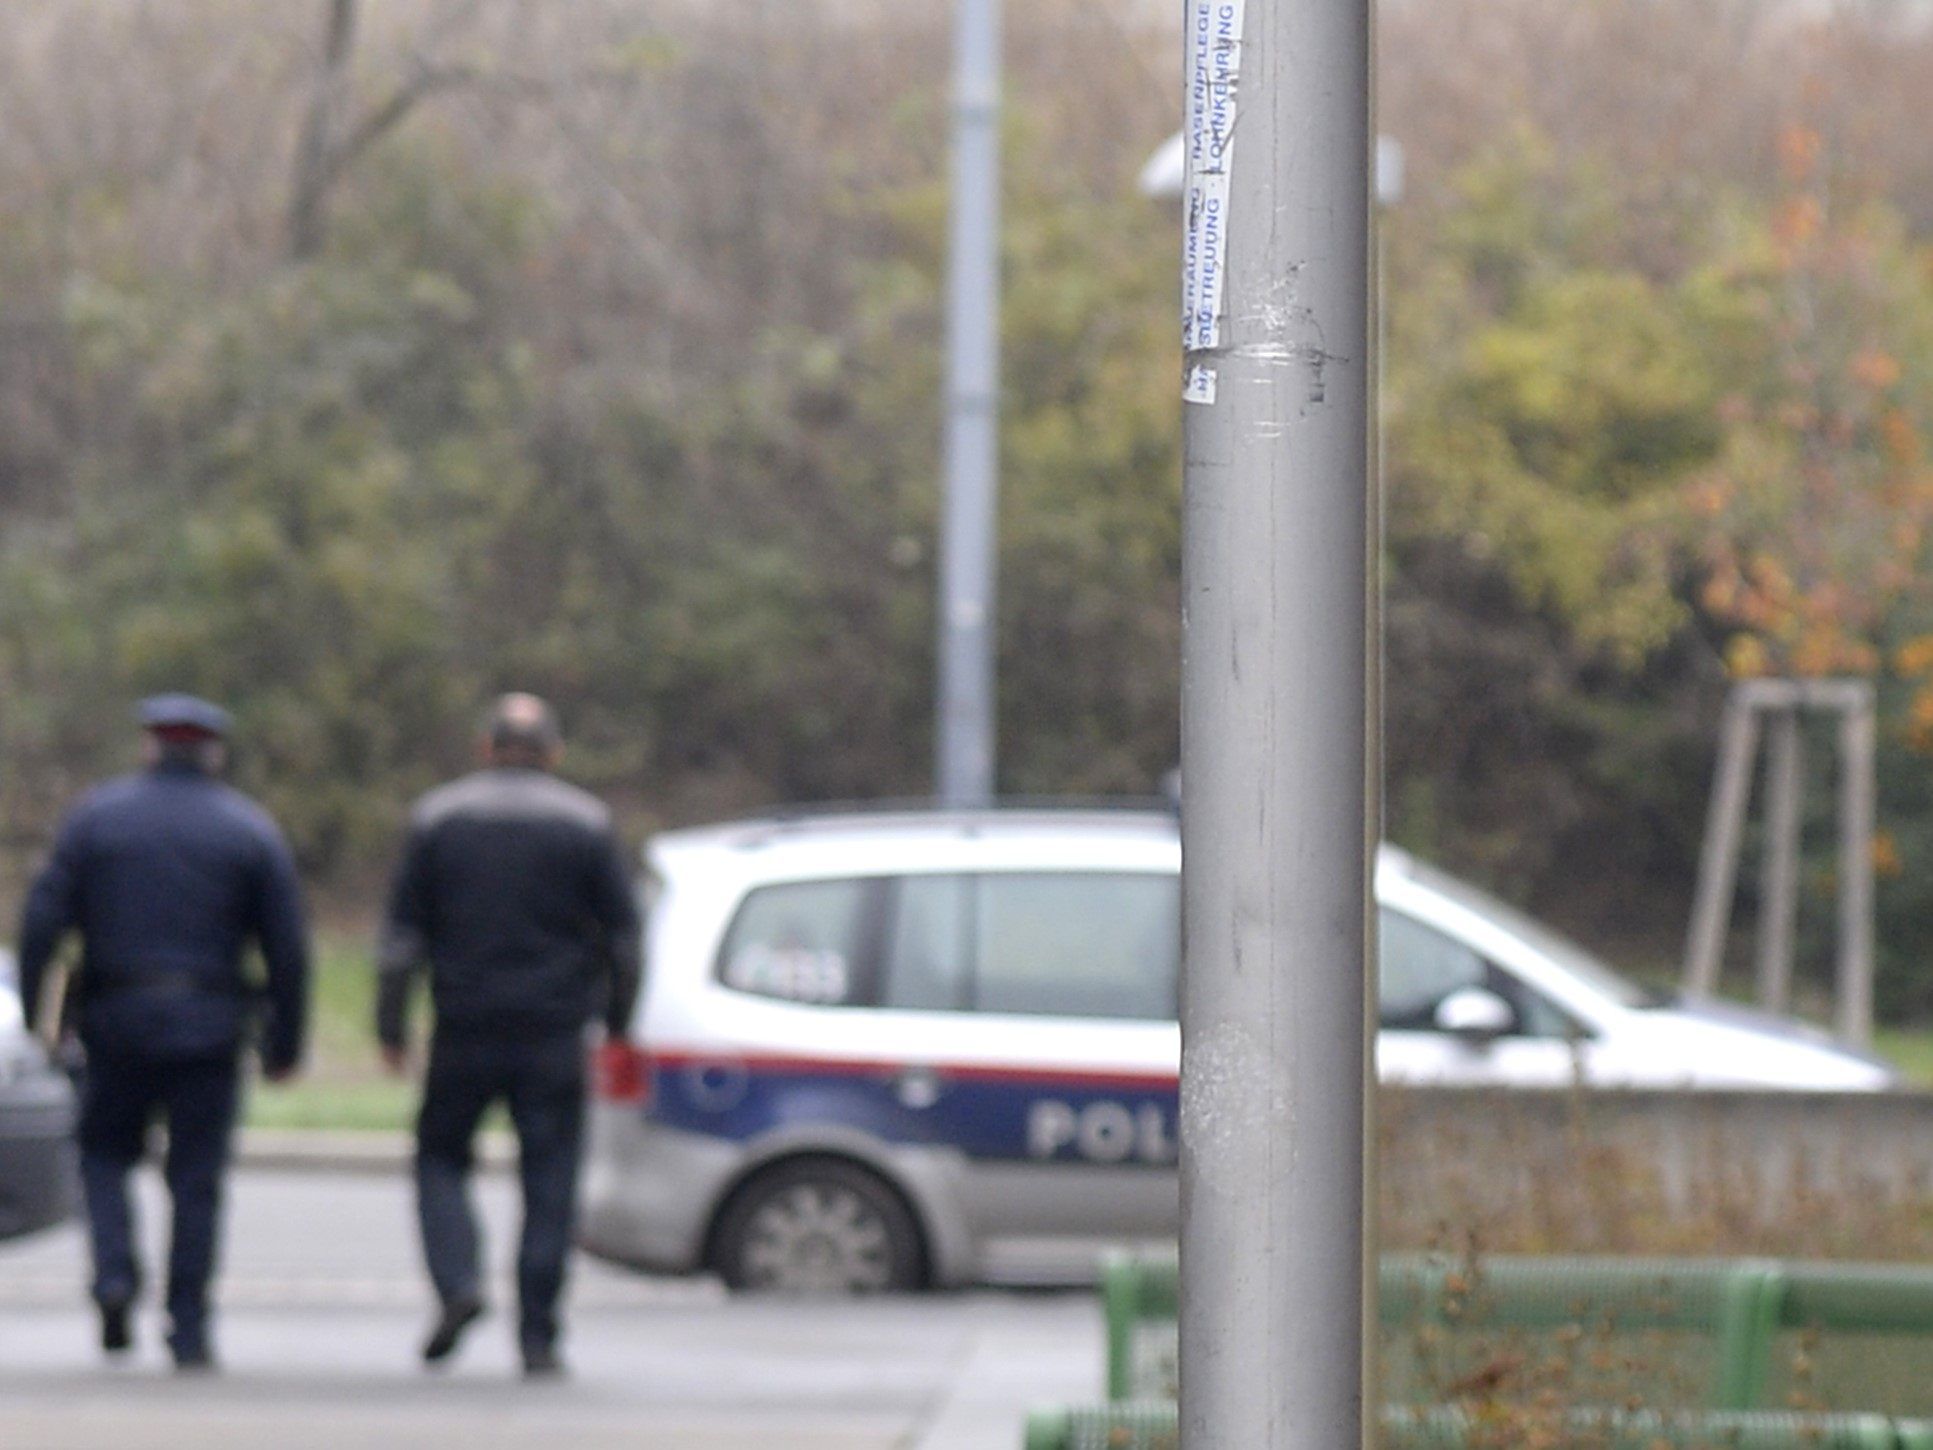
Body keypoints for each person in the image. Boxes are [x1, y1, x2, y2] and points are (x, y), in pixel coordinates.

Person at [17, 694, 310, 1371]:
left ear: (151, 746)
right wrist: (285, 1043)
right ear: (213, 752)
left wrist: (38, 1014)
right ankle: (189, 1324)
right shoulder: (248, 829)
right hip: (211, 1027)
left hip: (115, 1022)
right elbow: (287, 948)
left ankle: (115, 1279)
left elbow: (41, 922)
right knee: (198, 1178)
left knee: (104, 1156)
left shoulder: (96, 818)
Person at [377, 692, 641, 1378]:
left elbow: (401, 937)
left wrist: (391, 1025)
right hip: (552, 1031)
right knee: (550, 1178)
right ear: (553, 753)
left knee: (439, 1158)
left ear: (485, 748)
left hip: (464, 1027)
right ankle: (538, 1333)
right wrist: (616, 1021)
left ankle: (458, 1282)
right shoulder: (586, 823)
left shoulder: (439, 818)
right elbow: (623, 936)